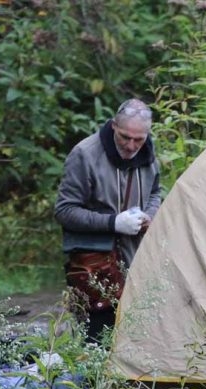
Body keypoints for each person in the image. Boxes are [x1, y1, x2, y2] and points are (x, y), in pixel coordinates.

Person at [54, 98, 161, 343]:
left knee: (133, 339)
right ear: (114, 126)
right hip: (94, 265)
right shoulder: (85, 155)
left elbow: (155, 191)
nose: (131, 145)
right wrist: (113, 223)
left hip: (136, 260)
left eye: (138, 139)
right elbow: (64, 210)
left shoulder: (149, 155)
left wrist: (150, 215)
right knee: (97, 342)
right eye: (125, 137)